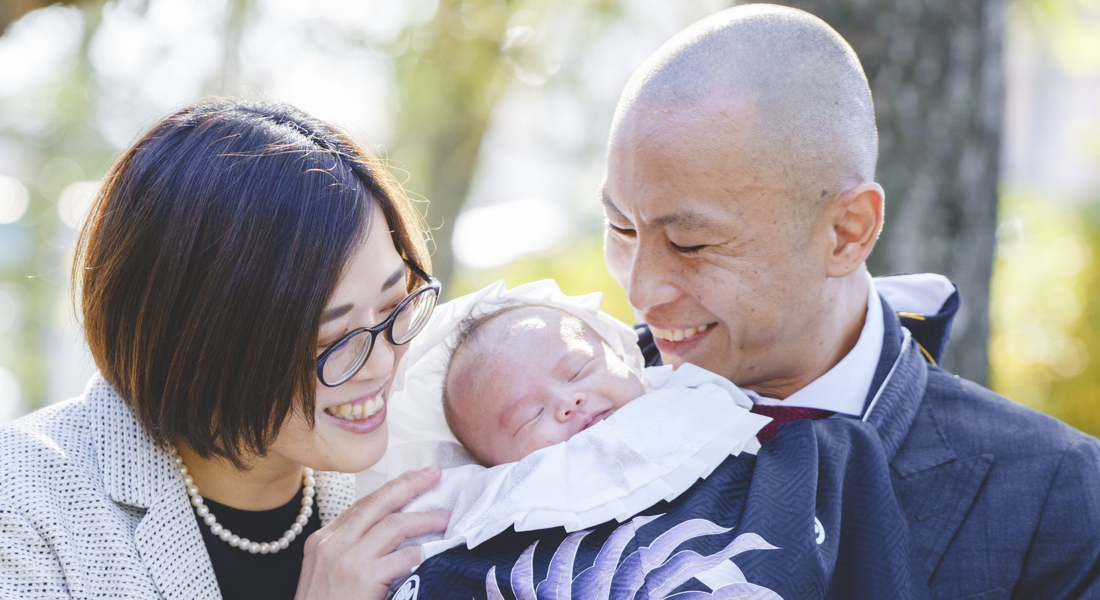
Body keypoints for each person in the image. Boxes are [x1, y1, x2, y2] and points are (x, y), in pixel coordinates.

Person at [601, 4, 1100, 598]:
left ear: (847, 231)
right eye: (621, 229)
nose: (639, 290)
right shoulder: (541, 424)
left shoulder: (1056, 493)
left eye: (691, 243)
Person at [0, 99, 450, 600]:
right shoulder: (25, 506)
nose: (383, 362)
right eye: (333, 340)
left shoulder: (432, 458)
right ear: (202, 342)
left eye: (393, 307)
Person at [442, 304, 648, 466]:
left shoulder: (678, 398)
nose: (568, 402)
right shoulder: (529, 514)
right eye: (532, 416)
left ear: (620, 359)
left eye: (578, 371)